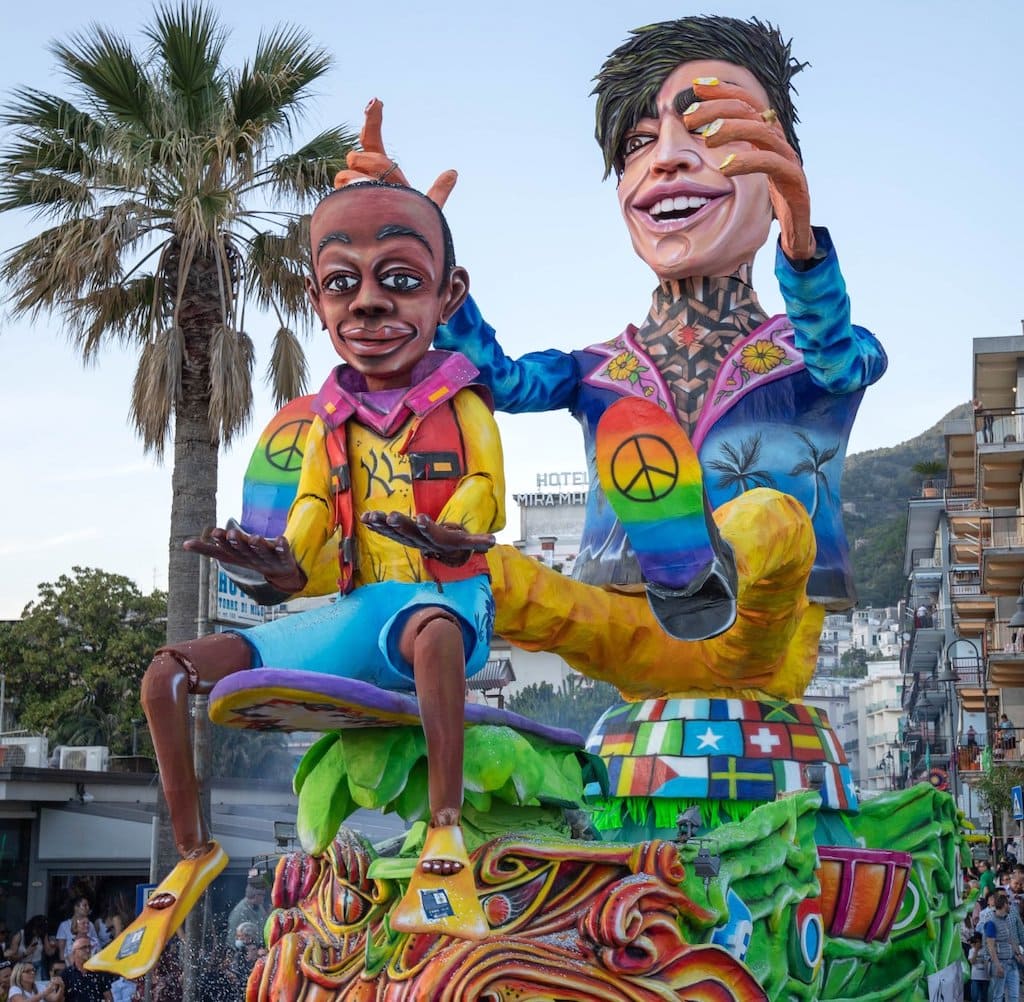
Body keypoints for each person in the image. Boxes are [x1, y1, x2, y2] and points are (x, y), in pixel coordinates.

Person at [345, 16, 886, 702]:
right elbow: (496, 377)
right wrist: (420, 254)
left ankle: (693, 571)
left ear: (779, 162)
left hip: (762, 639)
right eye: (638, 142)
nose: (665, 158)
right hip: (621, 630)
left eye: (710, 131)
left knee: (772, 520)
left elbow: (837, 360)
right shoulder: (597, 370)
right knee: (462, 558)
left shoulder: (814, 350)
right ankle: (353, 660)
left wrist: (802, 240)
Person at [90, 181, 504, 978]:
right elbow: (311, 529)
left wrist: (453, 534)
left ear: (449, 293)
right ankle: (192, 853)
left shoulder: (463, 402)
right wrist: (276, 567)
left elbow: (486, 493)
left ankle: (446, 835)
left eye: (402, 280)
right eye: (345, 284)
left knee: (436, 628)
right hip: (356, 614)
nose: (371, 305)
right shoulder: (328, 423)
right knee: (167, 675)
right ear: (318, 300)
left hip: (447, 604)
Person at [985, 893, 1023, 1002]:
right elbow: (991, 946)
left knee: (1014, 996)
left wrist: (1019, 954)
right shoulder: (991, 922)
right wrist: (997, 965)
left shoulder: (1006, 920)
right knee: (998, 995)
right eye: (1009, 904)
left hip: (1012, 962)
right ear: (1005, 904)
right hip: (1000, 963)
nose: (1010, 906)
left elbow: (1011, 940)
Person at [224, 881, 267, 949]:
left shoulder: (259, 907)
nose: (264, 897)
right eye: (263, 895)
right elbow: (233, 941)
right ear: (255, 895)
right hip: (245, 953)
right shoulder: (240, 912)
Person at [968, 930, 990, 1002]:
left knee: (984, 998)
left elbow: (988, 962)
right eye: (975, 942)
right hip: (975, 978)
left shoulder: (986, 950)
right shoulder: (971, 950)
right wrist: (976, 950)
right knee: (974, 997)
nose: (976, 943)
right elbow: (972, 962)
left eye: (978, 941)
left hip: (986, 978)